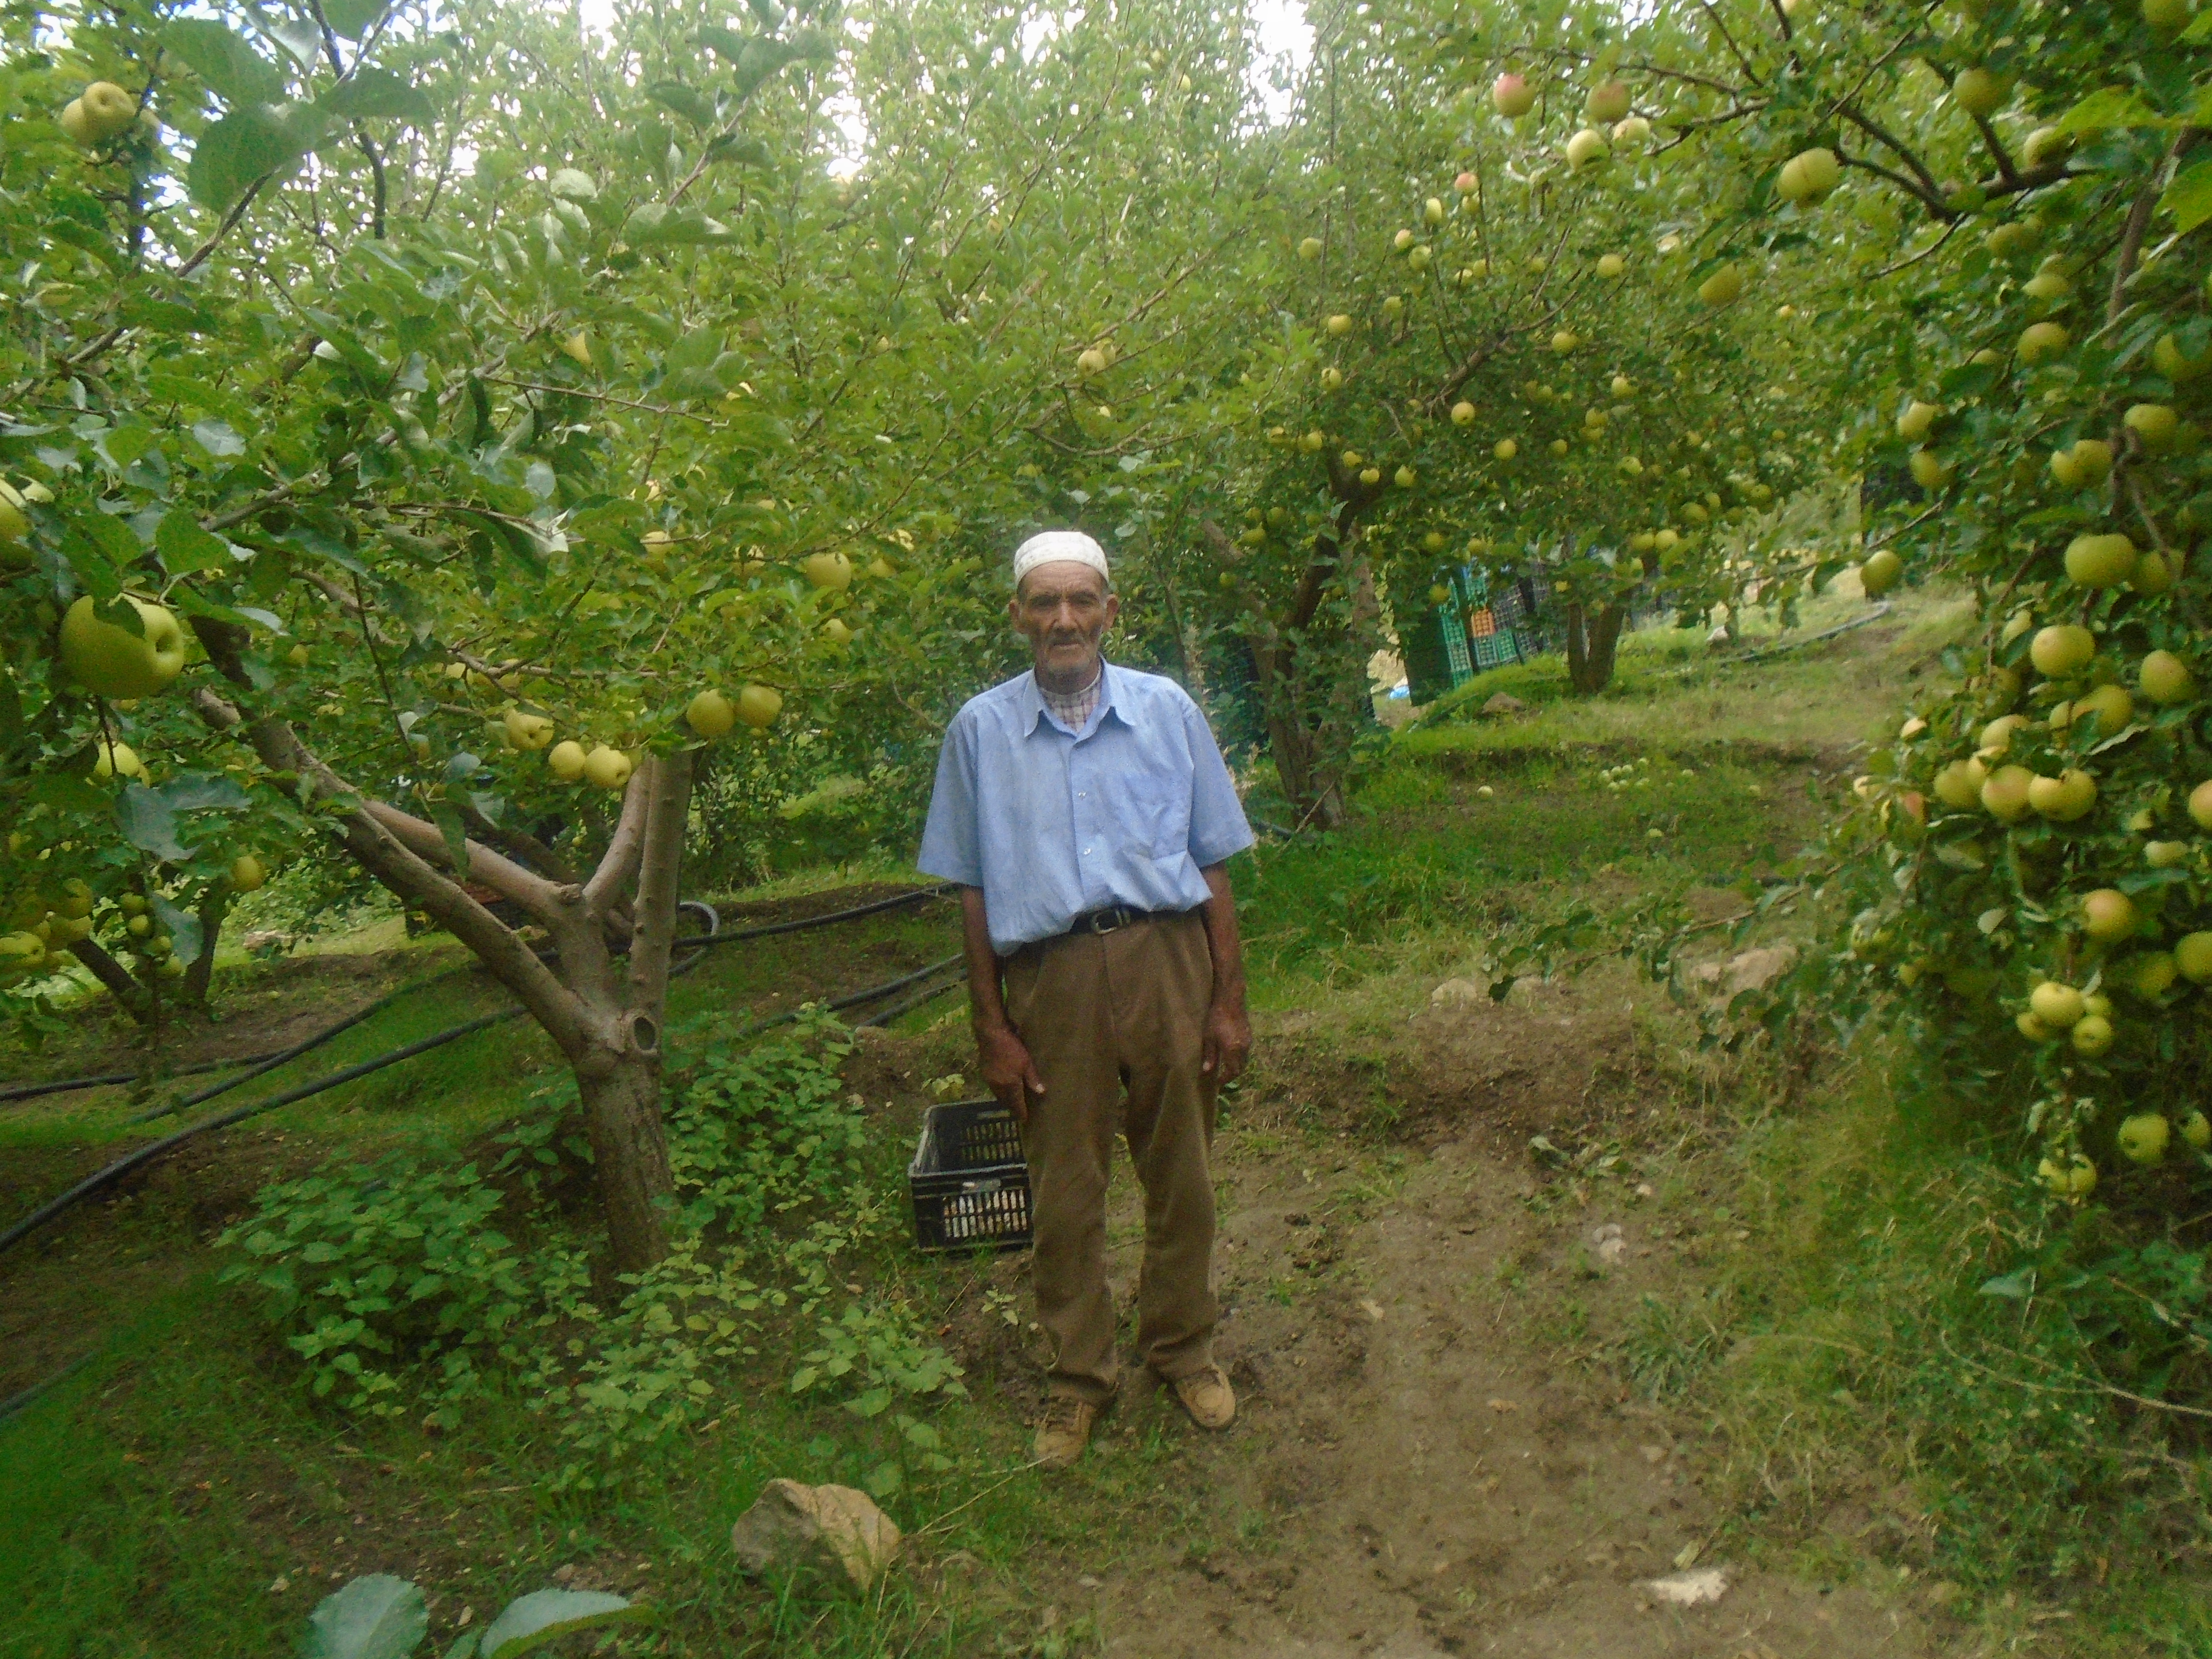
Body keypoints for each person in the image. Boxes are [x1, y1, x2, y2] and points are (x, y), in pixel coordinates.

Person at [918, 529, 1255, 1469]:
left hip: (1166, 963)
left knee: (1180, 1173)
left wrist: (1228, 1002)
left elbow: (1213, 861)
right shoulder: (979, 732)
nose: (1062, 619)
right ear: (1019, 617)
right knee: (1062, 1192)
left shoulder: (1166, 711)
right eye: (1043, 602)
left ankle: (1182, 1348)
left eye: (1080, 600)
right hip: (1049, 981)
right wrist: (991, 1027)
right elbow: (972, 889)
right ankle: (1077, 1379)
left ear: (1109, 610)